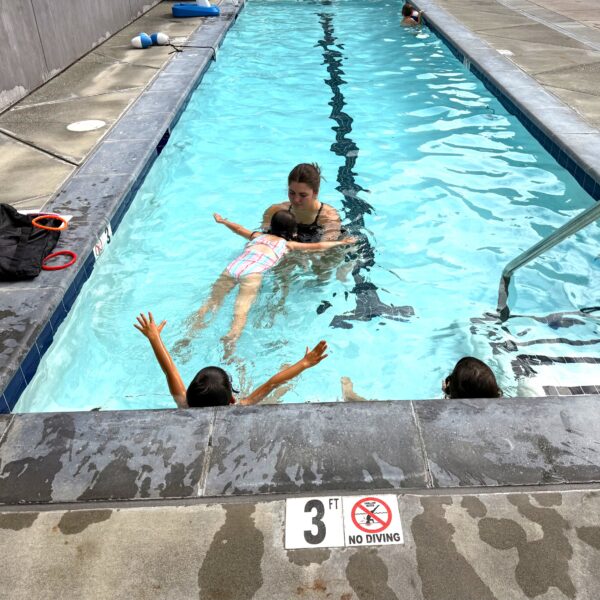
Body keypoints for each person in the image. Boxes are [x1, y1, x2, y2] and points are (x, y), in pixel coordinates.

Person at [187, 211, 355, 356]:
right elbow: (318, 245)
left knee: (211, 301)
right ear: (292, 232)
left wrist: (223, 221)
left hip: (233, 267)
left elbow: (238, 229)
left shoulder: (257, 236)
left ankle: (193, 328)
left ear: (271, 227)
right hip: (252, 273)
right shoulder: (288, 244)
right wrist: (341, 242)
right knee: (241, 310)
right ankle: (231, 337)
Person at [134, 312, 329, 407]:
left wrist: (154, 337)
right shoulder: (239, 408)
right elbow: (272, 383)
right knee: (268, 392)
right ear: (232, 399)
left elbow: (170, 370)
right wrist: (303, 363)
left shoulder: (184, 405)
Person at [261, 163, 342, 242]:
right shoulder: (274, 211)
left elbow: (326, 251)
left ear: (315, 193)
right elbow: (263, 241)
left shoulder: (328, 217)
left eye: (303, 195)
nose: (296, 199)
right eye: (292, 193)